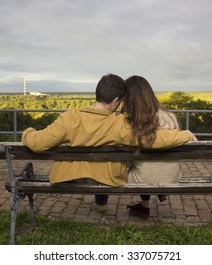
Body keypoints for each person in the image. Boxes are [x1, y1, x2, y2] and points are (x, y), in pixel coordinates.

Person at [22, 73, 195, 212]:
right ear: (115, 101)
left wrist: (27, 132)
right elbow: (155, 139)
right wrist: (184, 135)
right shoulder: (121, 124)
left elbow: (38, 143)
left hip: (69, 178)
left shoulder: (69, 117)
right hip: (106, 180)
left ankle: (100, 205)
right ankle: (106, 203)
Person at [122, 75, 198, 219]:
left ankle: (143, 205)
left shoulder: (130, 123)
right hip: (172, 176)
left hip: (143, 178)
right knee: (146, 164)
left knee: (137, 166)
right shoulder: (170, 117)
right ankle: (145, 205)